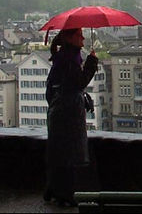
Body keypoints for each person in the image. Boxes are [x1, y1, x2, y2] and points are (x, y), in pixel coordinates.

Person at [43, 28, 98, 207]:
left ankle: (54, 187)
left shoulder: (62, 57)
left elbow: (52, 88)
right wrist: (91, 63)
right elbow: (79, 83)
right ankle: (65, 193)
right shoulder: (69, 59)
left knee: (59, 151)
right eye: (79, 35)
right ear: (71, 38)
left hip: (59, 110)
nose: (83, 37)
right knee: (70, 152)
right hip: (68, 111)